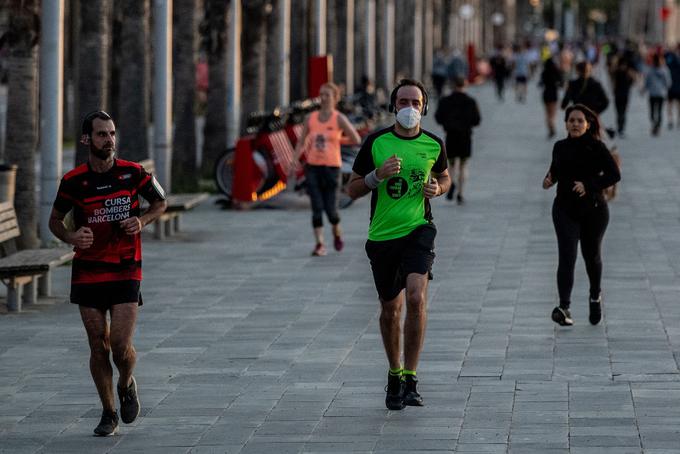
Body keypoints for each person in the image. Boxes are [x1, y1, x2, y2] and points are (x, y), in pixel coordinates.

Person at [48, 111, 168, 436]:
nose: (109, 140)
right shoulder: (73, 181)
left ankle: (127, 383)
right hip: (88, 270)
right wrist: (72, 237)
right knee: (97, 345)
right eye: (102, 134)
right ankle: (108, 412)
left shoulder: (133, 174)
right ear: (87, 139)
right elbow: (54, 221)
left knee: (119, 345)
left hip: (126, 267)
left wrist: (141, 221)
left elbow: (160, 202)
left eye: (112, 133)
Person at [347, 79, 450, 410]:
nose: (409, 108)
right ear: (394, 106)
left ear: (424, 107)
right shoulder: (376, 142)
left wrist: (439, 188)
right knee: (391, 309)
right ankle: (395, 374)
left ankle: (411, 375)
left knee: (417, 297)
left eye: (415, 102)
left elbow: (445, 177)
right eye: (403, 102)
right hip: (382, 236)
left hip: (419, 229)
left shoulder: (434, 144)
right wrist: (377, 176)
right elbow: (351, 189)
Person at [542, 104, 621, 327]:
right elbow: (554, 171)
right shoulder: (559, 147)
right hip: (564, 209)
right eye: (571, 120)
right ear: (566, 123)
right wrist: (548, 180)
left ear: (588, 124)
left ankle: (595, 296)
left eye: (579, 121)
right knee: (567, 256)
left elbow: (615, 175)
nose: (575, 124)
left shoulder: (597, 147)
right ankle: (564, 307)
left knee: (591, 257)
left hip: (594, 210)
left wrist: (589, 184)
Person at [293, 82, 361, 256]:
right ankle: (319, 244)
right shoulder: (311, 118)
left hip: (332, 168)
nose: (323, 98)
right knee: (316, 207)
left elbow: (355, 138)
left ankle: (337, 233)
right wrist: (294, 160)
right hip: (313, 167)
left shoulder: (339, 118)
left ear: (335, 98)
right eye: (321, 94)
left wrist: (338, 140)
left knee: (331, 210)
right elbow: (302, 141)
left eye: (327, 95)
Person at [434, 77, 481, 204]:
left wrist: (447, 123)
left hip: (451, 135)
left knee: (452, 163)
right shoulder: (470, 101)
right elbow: (477, 120)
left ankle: (451, 183)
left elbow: (438, 117)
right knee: (464, 165)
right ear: (465, 85)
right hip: (465, 136)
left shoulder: (445, 101)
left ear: (453, 85)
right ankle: (460, 193)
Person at [643, 53, 672, 136]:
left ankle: (656, 126)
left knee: (655, 111)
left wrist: (644, 89)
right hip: (657, 94)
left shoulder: (658, 70)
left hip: (656, 94)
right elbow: (668, 82)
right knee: (656, 112)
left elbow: (647, 81)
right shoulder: (660, 70)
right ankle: (656, 126)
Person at [611, 56, 637, 137]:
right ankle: (620, 128)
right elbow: (633, 81)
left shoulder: (617, 72)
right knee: (620, 112)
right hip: (621, 94)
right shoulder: (624, 72)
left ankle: (621, 128)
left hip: (621, 94)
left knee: (621, 112)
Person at [539, 57, 563, 138]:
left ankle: (550, 128)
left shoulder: (544, 72)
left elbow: (540, 83)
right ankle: (552, 127)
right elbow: (561, 83)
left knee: (547, 113)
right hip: (553, 93)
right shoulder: (556, 71)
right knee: (552, 114)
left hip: (546, 94)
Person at [665, 45, 680, 129]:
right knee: (670, 103)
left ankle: (677, 120)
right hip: (671, 84)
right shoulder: (669, 56)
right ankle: (670, 120)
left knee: (677, 104)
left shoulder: (670, 56)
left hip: (676, 85)